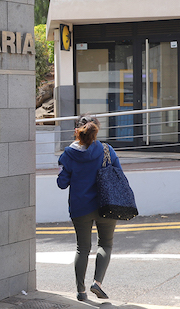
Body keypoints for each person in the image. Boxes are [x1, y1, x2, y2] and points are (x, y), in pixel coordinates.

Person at [57, 114, 120, 301]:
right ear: (96, 130)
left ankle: (81, 291)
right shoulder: (107, 150)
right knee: (105, 244)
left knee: (82, 248)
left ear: (77, 131)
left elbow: (62, 183)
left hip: (80, 207)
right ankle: (97, 283)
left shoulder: (68, 154)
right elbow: (119, 174)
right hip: (106, 205)